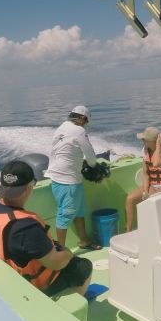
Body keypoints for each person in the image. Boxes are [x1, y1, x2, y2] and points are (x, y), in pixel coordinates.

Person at [0, 160, 93, 296]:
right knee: (83, 266)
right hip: (35, 285)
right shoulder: (25, 227)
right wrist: (68, 253)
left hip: (11, 276)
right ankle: (76, 300)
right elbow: (56, 263)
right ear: (28, 188)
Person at [46, 105, 101, 249]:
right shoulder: (79, 131)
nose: (86, 124)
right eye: (86, 121)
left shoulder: (62, 127)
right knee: (64, 216)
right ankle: (61, 251)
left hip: (59, 177)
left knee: (79, 211)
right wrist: (93, 165)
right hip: (68, 181)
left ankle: (84, 241)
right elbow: (91, 158)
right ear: (82, 118)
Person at [124, 126, 161, 232]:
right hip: (153, 187)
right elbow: (146, 173)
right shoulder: (145, 151)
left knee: (151, 202)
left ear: (153, 141)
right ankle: (128, 230)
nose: (142, 141)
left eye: (144, 139)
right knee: (130, 199)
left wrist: (158, 145)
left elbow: (156, 163)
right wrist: (145, 191)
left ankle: (155, 231)